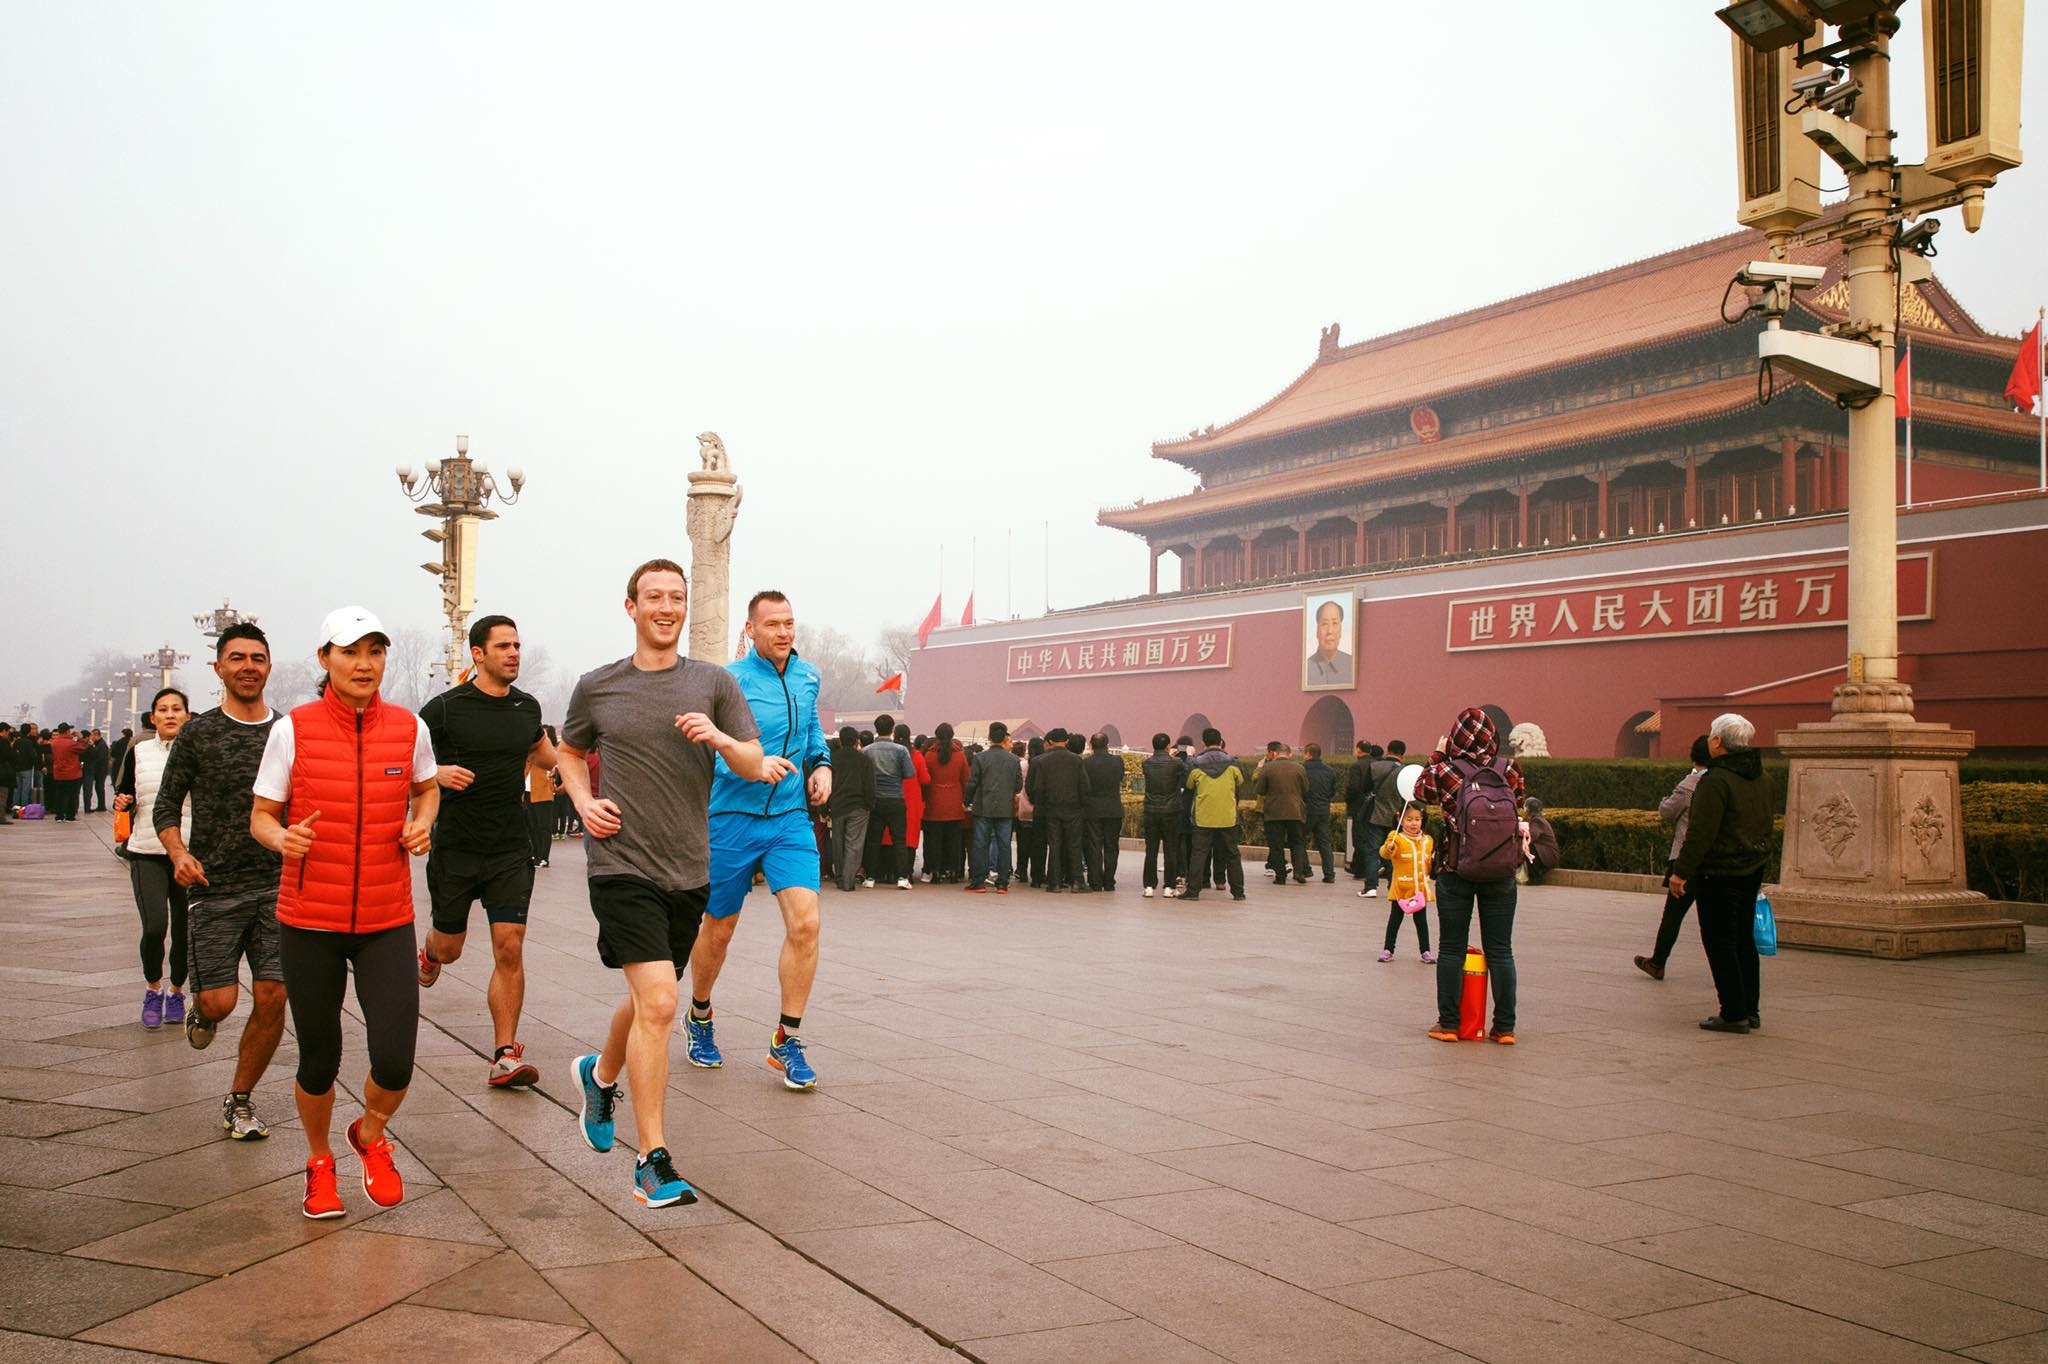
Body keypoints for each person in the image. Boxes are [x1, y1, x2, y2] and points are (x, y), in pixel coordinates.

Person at [556, 559, 768, 1209]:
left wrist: (719, 738)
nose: (667, 606)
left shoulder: (713, 683)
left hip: (689, 867)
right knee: (657, 1004)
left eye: (677, 597)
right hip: (620, 863)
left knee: (653, 997)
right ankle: (652, 1160)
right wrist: (584, 800)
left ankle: (601, 1072)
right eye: (654, 597)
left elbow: (755, 762)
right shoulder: (599, 686)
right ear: (631, 608)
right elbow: (567, 750)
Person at [250, 606, 439, 1219]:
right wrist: (282, 840)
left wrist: (422, 824)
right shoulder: (293, 730)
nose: (364, 664)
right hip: (310, 918)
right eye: (350, 651)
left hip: (387, 915)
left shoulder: (408, 728)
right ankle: (318, 1161)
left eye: (375, 651)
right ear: (324, 658)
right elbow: (261, 816)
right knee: (320, 1055)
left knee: (394, 1055)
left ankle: (371, 1132)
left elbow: (426, 787)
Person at [685, 589, 829, 1091]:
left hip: (790, 818)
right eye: (773, 625)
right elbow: (711, 748)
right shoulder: (729, 681)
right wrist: (750, 765)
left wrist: (823, 765)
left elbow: (811, 729)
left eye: (789, 623)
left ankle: (786, 1041)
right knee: (719, 929)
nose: (784, 632)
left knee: (806, 924)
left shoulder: (809, 676)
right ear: (751, 630)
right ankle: (699, 1015)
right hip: (732, 816)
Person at [152, 622, 287, 1139]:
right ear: (219, 668)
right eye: (237, 658)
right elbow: (166, 805)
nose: (248, 666)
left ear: (269, 666)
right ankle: (201, 1011)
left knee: (274, 994)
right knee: (221, 1002)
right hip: (215, 886)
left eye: (257, 657)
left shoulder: (288, 731)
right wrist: (179, 853)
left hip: (278, 884)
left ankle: (240, 1099)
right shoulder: (198, 733)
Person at [415, 615, 556, 1090]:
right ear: (478, 654)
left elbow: (546, 754)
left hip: (510, 849)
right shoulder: (444, 709)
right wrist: (438, 774)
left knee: (510, 946)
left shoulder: (526, 707)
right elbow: (402, 761)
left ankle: (504, 1054)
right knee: (451, 948)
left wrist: (579, 774)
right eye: (503, 646)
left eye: (518, 645)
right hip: (455, 847)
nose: (514, 653)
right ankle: (431, 952)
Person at [1415, 708, 1524, 1045]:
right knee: (1501, 950)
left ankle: (1449, 1024)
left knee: (1451, 949)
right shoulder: (1509, 769)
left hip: (1455, 869)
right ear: (1493, 737)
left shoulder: (1445, 770)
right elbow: (1518, 804)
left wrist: (1438, 754)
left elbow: (1418, 791)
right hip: (1501, 872)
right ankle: (1504, 1028)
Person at [1669, 713, 1774, 1035]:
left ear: (1718, 742)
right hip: (1751, 869)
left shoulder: (1716, 781)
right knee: (1743, 939)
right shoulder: (1763, 778)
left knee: (1720, 941)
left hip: (1719, 871)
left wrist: (1681, 873)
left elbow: (1701, 833)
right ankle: (1750, 1009)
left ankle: (1732, 1012)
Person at [114, 689, 194, 1028]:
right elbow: (126, 792)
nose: (171, 714)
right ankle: (152, 987)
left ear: (187, 716)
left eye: (177, 709)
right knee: (155, 927)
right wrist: (123, 801)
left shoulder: (197, 752)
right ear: (153, 717)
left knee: (183, 930)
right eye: (164, 709)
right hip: (146, 851)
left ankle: (176, 991)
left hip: (188, 855)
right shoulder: (139, 751)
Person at [1636, 735, 1712, 981]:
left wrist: (1663, 800)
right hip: (1716, 860)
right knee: (1713, 921)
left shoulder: (1690, 784)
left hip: (1685, 858)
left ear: (1693, 756)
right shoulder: (1726, 782)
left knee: (1673, 915)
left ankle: (1658, 962)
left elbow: (1667, 812)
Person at [1180, 730, 1246, 902]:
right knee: (1232, 854)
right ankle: (1238, 892)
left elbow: (1188, 784)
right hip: (1228, 816)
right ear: (1220, 741)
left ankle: (1193, 891)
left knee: (1198, 853)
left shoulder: (1196, 763)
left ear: (1204, 743)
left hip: (1203, 816)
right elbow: (1241, 781)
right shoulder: (1233, 763)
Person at [1025, 727, 1089, 892]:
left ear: (1051, 741)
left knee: (1055, 844)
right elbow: (1085, 786)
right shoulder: (1077, 760)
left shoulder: (1039, 761)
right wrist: (1080, 804)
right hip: (1073, 809)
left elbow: (1031, 788)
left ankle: (1054, 883)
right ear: (1066, 741)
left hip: (1050, 809)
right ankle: (1077, 882)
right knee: (1074, 845)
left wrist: (1038, 803)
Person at [965, 721, 1020, 893]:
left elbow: (972, 782)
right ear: (1004, 738)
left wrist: (966, 801)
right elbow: (1018, 785)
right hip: (1005, 808)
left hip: (983, 807)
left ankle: (979, 882)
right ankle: (1002, 883)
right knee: (1004, 845)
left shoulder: (980, 758)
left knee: (981, 844)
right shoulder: (1013, 759)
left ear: (989, 737)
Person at [1377, 803, 1436, 964]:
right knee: (1395, 920)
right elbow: (1385, 853)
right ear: (1400, 820)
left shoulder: (1427, 840)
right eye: (1409, 819)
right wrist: (1389, 848)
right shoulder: (1396, 837)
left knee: (1421, 922)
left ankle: (1426, 951)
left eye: (1417, 819)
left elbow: (1429, 863)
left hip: (1420, 891)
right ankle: (1388, 949)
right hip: (1401, 889)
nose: (1414, 823)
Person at [861, 718, 916, 889]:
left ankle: (870, 877)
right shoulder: (901, 750)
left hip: (875, 800)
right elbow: (910, 773)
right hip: (895, 799)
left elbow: (864, 775)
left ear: (876, 729)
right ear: (893, 729)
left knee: (873, 840)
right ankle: (902, 877)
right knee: (899, 840)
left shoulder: (866, 751)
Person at [1253, 742, 1311, 885]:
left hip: (1274, 812)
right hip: (1295, 811)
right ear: (1289, 754)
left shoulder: (1267, 768)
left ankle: (1280, 876)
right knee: (1297, 842)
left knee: (1276, 845)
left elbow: (1260, 789)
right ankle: (1298, 872)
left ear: (1275, 754)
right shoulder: (1300, 768)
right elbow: (1306, 788)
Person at [920, 721, 969, 883]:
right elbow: (965, 780)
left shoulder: (929, 755)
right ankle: (954, 871)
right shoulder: (960, 755)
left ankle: (935, 871)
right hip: (954, 803)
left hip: (934, 802)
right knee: (954, 840)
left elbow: (925, 781)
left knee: (934, 840)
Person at [1139, 732, 1186, 898]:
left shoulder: (1146, 763)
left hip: (1151, 810)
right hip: (1171, 811)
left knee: (1150, 850)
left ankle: (1149, 886)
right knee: (1170, 849)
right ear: (1168, 746)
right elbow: (1185, 773)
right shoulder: (1176, 763)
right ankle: (1169, 886)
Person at [827, 726, 874, 891]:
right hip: (859, 806)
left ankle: (840, 876)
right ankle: (848, 880)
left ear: (840, 740)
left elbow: (828, 783)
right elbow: (870, 785)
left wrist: (825, 807)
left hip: (838, 805)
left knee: (838, 842)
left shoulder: (832, 759)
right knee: (854, 844)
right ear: (857, 741)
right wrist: (870, 804)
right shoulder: (865, 760)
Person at [1359, 742, 1405, 897]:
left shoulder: (1374, 766)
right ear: (1402, 754)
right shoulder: (1405, 771)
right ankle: (1393, 886)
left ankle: (1371, 887)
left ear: (1388, 751)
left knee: (1372, 851)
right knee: (1394, 852)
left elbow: (1365, 788)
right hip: (1396, 819)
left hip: (1376, 816)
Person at [1081, 732, 1126, 891]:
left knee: (1094, 845)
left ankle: (1095, 881)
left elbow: (1084, 785)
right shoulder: (1117, 761)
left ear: (1091, 745)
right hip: (1113, 808)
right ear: (1107, 745)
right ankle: (1109, 881)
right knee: (1111, 846)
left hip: (1092, 809)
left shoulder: (1086, 763)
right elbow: (1120, 778)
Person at [1302, 742, 1338, 883]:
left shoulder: (1302, 769)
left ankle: (1306, 869)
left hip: (1307, 810)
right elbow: (1332, 791)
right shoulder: (1329, 770)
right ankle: (1329, 874)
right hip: (1323, 810)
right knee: (1324, 842)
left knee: (1299, 840)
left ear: (1308, 754)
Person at [527, 726, 559, 867]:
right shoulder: (528, 751)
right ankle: (535, 854)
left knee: (543, 827)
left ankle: (544, 857)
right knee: (531, 826)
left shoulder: (547, 753)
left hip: (543, 793)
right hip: (528, 792)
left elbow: (553, 769)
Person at [1014, 737, 1044, 887]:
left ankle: (1022, 871)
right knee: (1039, 844)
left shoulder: (1022, 765)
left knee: (1023, 843)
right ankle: (1038, 873)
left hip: (1024, 809)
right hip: (1040, 810)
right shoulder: (1044, 765)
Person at [1305, 599, 1354, 686]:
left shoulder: (1351, 664)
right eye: (1324, 624)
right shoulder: (1306, 668)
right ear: (1317, 630)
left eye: (1335, 623)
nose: (1330, 631)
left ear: (1341, 630)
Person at [46, 723, 84, 821]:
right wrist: (80, 738)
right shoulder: (71, 743)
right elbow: (82, 748)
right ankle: (70, 816)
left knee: (59, 795)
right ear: (67, 731)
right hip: (73, 773)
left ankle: (59, 815)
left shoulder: (54, 742)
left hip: (58, 773)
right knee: (72, 795)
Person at [82, 729, 109, 813]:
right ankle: (101, 805)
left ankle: (102, 806)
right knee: (99, 787)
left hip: (101, 769)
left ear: (96, 735)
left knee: (100, 787)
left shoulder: (101, 745)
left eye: (92, 735)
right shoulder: (99, 744)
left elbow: (99, 757)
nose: (91, 737)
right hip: (100, 769)